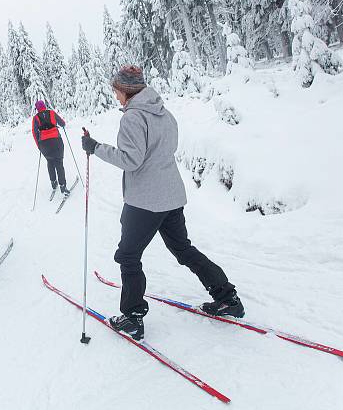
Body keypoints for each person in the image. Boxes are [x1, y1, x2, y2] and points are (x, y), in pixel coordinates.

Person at [81, 65, 243, 341]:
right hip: (171, 195)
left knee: (128, 256)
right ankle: (227, 297)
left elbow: (130, 160)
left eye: (116, 90)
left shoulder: (132, 118)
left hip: (145, 201)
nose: (115, 96)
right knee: (183, 249)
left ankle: (132, 317)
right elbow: (163, 151)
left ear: (126, 90)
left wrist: (95, 148)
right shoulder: (165, 113)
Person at [32, 100, 69, 195]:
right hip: (56, 142)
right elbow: (62, 123)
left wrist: (39, 146)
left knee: (50, 161)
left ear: (37, 109)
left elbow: (35, 133)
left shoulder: (35, 118)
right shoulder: (52, 113)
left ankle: (53, 183)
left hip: (44, 144)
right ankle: (63, 187)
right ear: (44, 106)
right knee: (59, 163)